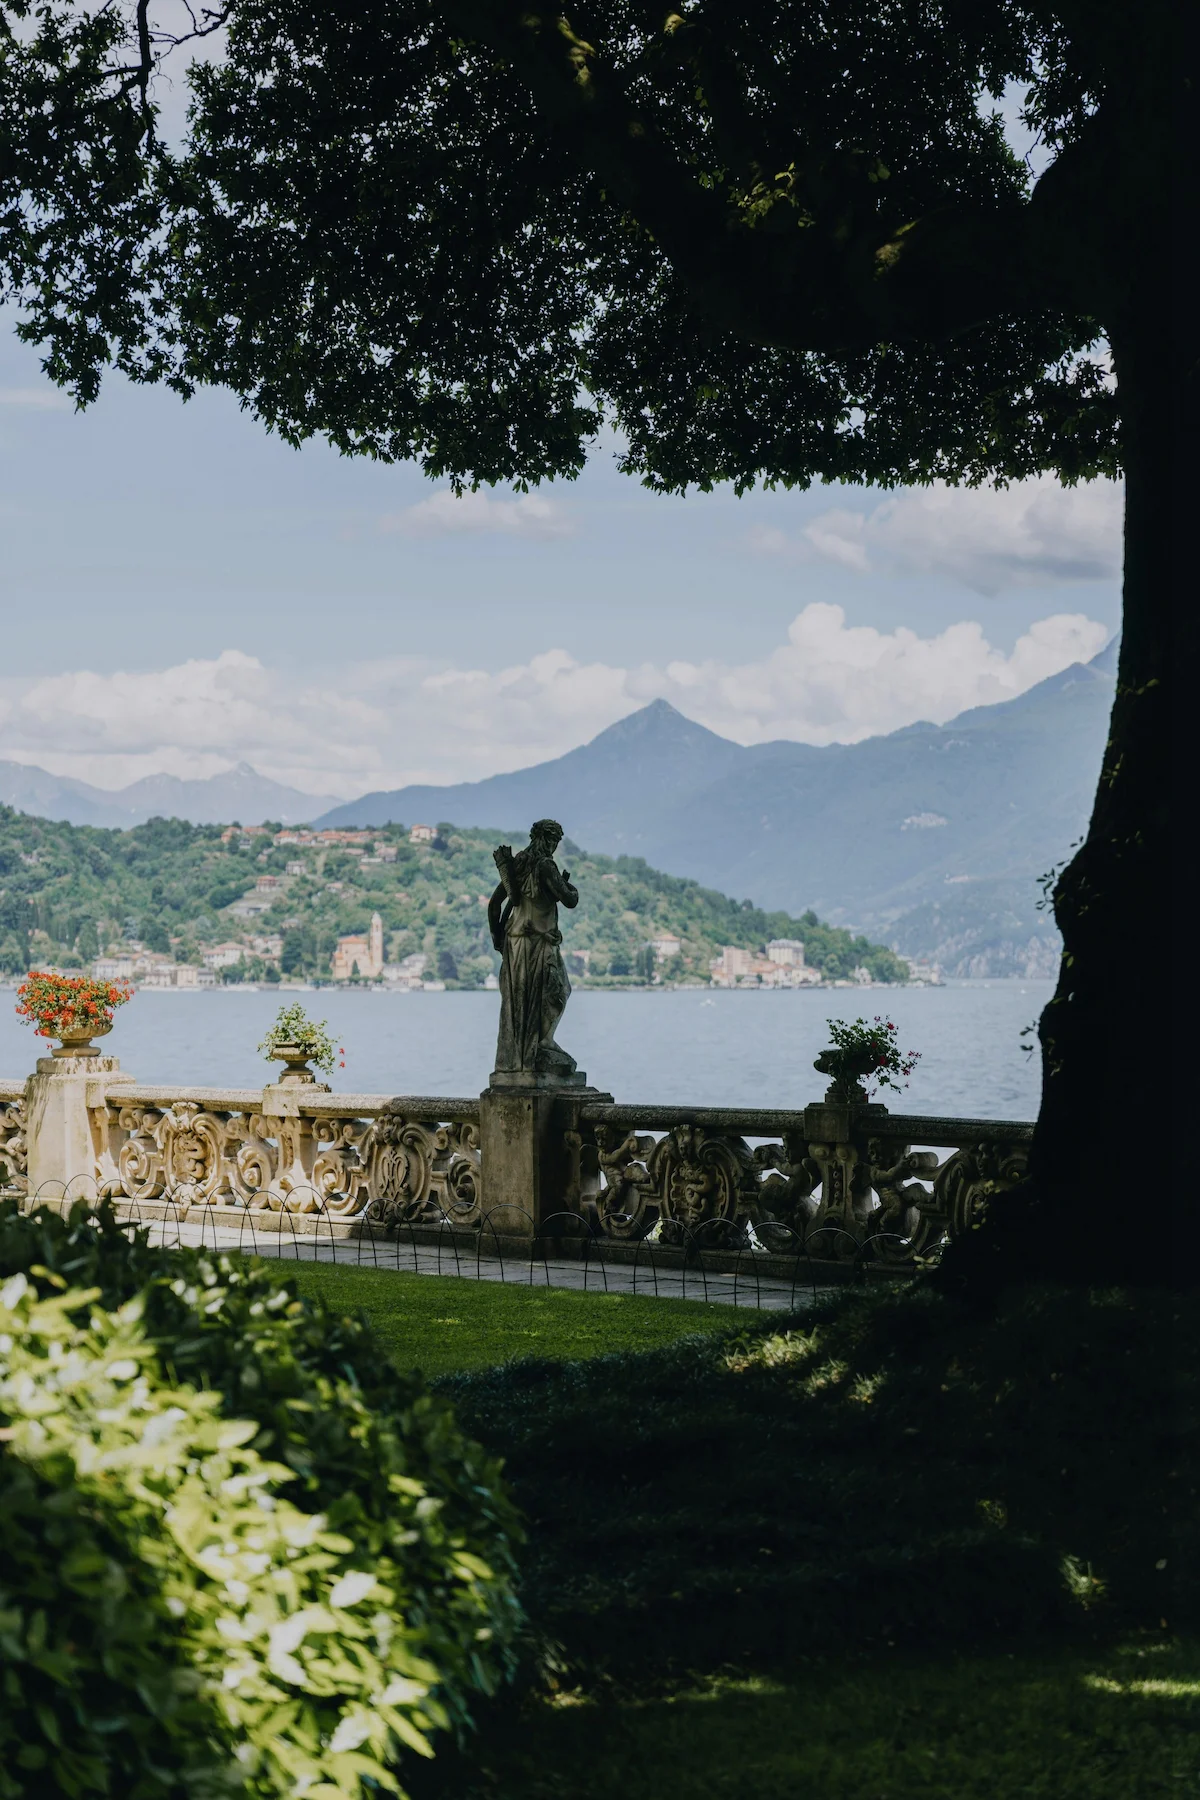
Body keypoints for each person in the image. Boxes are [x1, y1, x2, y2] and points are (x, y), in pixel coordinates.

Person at [488, 819, 580, 1078]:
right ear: (545, 839)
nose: (553, 846)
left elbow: (494, 904)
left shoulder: (517, 864)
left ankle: (519, 1060)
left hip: (515, 944)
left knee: (519, 1002)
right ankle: (544, 1043)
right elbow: (570, 900)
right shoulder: (545, 866)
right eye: (553, 841)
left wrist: (497, 937)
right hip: (539, 943)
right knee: (559, 990)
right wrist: (569, 886)